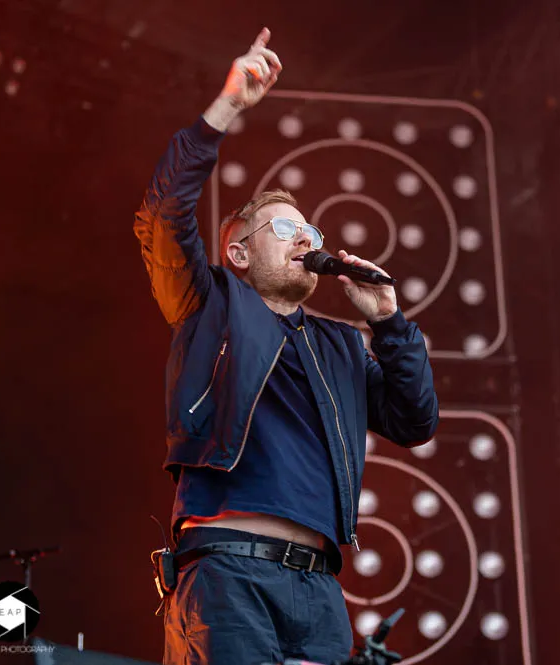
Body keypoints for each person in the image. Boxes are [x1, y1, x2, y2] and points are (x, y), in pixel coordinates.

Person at [133, 28, 438, 665]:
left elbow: (415, 421)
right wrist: (226, 106)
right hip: (228, 573)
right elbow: (163, 216)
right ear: (239, 253)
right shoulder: (211, 305)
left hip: (320, 588)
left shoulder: (340, 345)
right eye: (283, 227)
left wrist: (390, 323)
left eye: (311, 231)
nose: (305, 239)